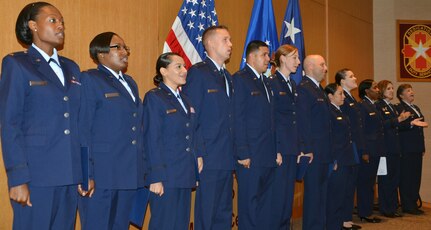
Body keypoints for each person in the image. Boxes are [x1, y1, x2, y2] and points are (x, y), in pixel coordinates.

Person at [0, 2, 82, 229]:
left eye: (62, 22)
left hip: (69, 176)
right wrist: (17, 178)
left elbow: (78, 123)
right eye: (53, 20)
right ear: (33, 26)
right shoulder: (17, 64)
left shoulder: (72, 68)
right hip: (36, 178)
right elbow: (10, 124)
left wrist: (84, 172)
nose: (60, 26)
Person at [78, 32, 144, 229]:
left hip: (127, 174)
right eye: (118, 47)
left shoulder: (130, 82)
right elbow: (83, 128)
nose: (125, 52)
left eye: (126, 48)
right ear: (101, 54)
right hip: (101, 174)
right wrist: (86, 174)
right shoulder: (90, 79)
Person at [181, 25, 235, 230]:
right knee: (207, 213)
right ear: (210, 43)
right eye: (225, 40)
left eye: (230, 40)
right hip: (209, 155)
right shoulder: (199, 73)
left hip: (226, 155)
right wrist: (199, 152)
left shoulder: (227, 76)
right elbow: (192, 117)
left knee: (223, 212)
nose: (230, 45)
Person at [144, 52, 199, 230]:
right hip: (166, 176)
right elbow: (152, 138)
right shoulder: (155, 97)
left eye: (184, 66)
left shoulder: (186, 100)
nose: (184, 70)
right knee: (164, 224)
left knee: (180, 224)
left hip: (184, 174)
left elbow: (192, 134)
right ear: (163, 71)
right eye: (178, 66)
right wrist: (156, 177)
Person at [232, 40, 277, 230]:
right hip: (251, 154)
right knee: (249, 203)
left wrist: (276, 150)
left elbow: (271, 120)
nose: (269, 59)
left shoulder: (265, 81)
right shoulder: (240, 79)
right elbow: (237, 117)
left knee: (266, 203)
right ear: (252, 56)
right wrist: (242, 152)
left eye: (268, 55)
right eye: (265, 55)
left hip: (267, 152)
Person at [268, 44, 301, 229]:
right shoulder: (272, 83)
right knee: (278, 197)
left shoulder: (292, 84)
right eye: (294, 58)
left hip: (291, 148)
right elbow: (272, 119)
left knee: (287, 197)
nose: (298, 62)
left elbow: (295, 119)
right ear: (282, 59)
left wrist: (299, 147)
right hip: (280, 149)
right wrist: (277, 148)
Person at [297, 54, 331, 230]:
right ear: (310, 67)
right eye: (322, 65)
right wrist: (307, 149)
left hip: (324, 152)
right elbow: (303, 122)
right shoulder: (304, 88)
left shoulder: (319, 89)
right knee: (314, 196)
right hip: (313, 153)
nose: (325, 68)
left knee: (322, 196)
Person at [324, 83, 357, 230]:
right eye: (340, 94)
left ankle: (337, 224)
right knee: (334, 196)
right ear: (330, 96)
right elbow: (329, 138)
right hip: (338, 159)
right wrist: (333, 159)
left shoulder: (339, 110)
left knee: (342, 194)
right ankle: (332, 225)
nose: (343, 96)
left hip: (347, 158)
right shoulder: (328, 111)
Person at [375, 80, 410, 218]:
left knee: (394, 179)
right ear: (382, 91)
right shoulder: (379, 106)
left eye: (392, 88)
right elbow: (381, 125)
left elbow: (397, 126)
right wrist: (398, 120)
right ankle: (386, 208)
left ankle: (393, 207)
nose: (391, 90)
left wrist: (410, 122)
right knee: (386, 179)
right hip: (385, 148)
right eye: (388, 88)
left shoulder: (392, 107)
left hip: (395, 147)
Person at [335, 69, 363, 229]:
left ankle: (346, 217)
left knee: (350, 183)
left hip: (355, 145)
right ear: (342, 81)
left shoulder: (351, 98)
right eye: (351, 76)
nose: (355, 78)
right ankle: (343, 219)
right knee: (344, 184)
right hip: (346, 147)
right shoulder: (341, 99)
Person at [395, 84, 428, 215]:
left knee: (415, 176)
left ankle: (413, 202)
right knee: (407, 176)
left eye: (411, 90)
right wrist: (410, 123)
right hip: (406, 147)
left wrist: (422, 147)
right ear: (401, 95)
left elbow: (420, 129)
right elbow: (398, 126)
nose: (411, 92)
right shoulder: (400, 108)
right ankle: (407, 205)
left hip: (416, 147)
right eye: (408, 91)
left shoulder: (416, 107)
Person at [356, 79, 384, 223]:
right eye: (375, 87)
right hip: (368, 150)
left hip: (376, 149)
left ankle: (367, 210)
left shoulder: (374, 105)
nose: (378, 90)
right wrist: (364, 151)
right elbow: (361, 131)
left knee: (370, 182)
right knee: (365, 183)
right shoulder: (363, 106)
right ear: (367, 91)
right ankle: (364, 213)